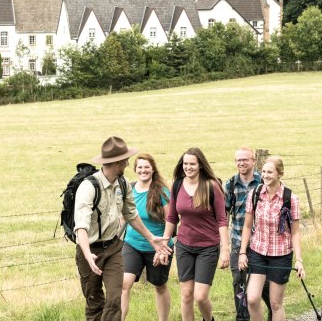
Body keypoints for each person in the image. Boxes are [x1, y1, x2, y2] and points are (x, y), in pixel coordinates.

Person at [74, 136, 171, 321]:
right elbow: (81, 227)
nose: (128, 163)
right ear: (116, 162)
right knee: (94, 301)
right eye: (125, 159)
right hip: (90, 250)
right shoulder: (88, 187)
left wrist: (151, 238)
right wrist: (87, 255)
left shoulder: (123, 183)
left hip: (113, 248)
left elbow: (131, 214)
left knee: (115, 298)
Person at [161, 147, 230, 321]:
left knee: (200, 296)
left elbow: (222, 219)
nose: (188, 167)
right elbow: (171, 217)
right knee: (186, 295)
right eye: (185, 164)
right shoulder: (177, 185)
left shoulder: (212, 186)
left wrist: (225, 249)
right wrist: (163, 244)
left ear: (200, 165)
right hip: (184, 245)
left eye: (192, 164)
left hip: (207, 247)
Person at [239, 155, 305, 321]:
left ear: (279, 174)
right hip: (258, 252)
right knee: (252, 299)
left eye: (270, 172)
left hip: (281, 255)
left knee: (275, 303)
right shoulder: (254, 194)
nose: (266, 175)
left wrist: (299, 260)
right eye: (263, 171)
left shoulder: (290, 199)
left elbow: (295, 232)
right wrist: (242, 253)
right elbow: (247, 226)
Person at [121, 153, 173, 321]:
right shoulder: (129, 189)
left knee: (159, 286)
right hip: (132, 244)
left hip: (158, 246)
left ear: (152, 169)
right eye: (140, 167)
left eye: (146, 167)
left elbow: (170, 220)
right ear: (135, 169)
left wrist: (164, 248)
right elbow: (123, 218)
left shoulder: (161, 192)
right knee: (124, 285)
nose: (143, 170)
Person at [224, 147, 272, 321]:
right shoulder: (230, 185)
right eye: (238, 160)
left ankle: (272, 312)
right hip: (238, 240)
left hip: (262, 242)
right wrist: (225, 244)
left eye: (245, 159)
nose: (241, 163)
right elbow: (225, 213)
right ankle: (242, 317)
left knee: (265, 283)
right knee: (239, 281)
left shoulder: (264, 182)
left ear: (253, 161)